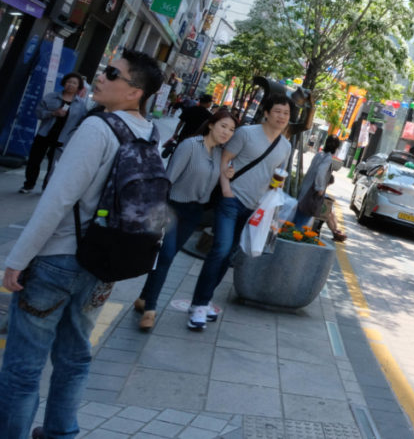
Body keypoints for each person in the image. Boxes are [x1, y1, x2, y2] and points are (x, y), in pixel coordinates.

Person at [0, 50, 163, 439]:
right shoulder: (149, 133)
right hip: (102, 263)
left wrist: (16, 259)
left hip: (58, 260)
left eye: (112, 73)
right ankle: (60, 433)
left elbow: (58, 199)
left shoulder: (98, 128)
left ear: (133, 92)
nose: (100, 77)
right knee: (74, 358)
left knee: (23, 366)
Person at [187, 94, 292, 330]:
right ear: (266, 112)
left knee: (230, 254)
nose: (282, 117)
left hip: (255, 208)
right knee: (220, 249)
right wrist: (226, 190)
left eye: (286, 114)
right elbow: (226, 158)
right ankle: (200, 304)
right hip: (232, 200)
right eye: (278, 111)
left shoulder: (285, 146)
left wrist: (276, 186)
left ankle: (202, 301)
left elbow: (277, 174)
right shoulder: (247, 133)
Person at [133, 109, 238, 331]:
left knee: (166, 258)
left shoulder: (220, 155)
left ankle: (144, 297)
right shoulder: (190, 146)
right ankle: (150, 309)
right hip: (172, 207)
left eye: (231, 129)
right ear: (211, 125)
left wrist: (226, 177)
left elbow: (218, 182)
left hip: (194, 213)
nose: (226, 132)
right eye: (223, 126)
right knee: (166, 255)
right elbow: (167, 179)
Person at [19, 72, 88, 194]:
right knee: (34, 160)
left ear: (78, 87)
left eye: (74, 83)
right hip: (44, 133)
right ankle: (29, 184)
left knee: (54, 165)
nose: (71, 85)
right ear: (64, 83)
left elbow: (81, 121)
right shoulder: (51, 97)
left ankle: (47, 188)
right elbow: (39, 112)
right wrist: (53, 113)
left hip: (62, 138)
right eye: (69, 82)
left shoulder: (81, 105)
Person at [292, 135, 346, 242]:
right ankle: (292, 243)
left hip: (304, 191)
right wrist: (320, 188)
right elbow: (321, 172)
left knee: (296, 220)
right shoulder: (328, 158)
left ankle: (288, 238)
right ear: (336, 148)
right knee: (302, 223)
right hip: (311, 195)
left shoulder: (319, 155)